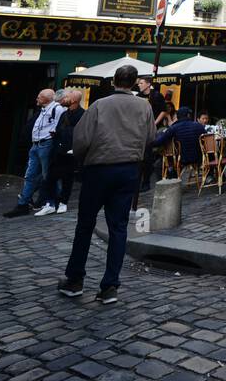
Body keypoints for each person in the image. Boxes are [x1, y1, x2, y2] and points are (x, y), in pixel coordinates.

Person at [56, 65, 153, 304]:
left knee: (85, 225)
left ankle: (75, 279)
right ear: (133, 83)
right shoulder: (144, 106)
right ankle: (110, 286)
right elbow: (151, 137)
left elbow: (81, 139)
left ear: (114, 81)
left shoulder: (100, 105)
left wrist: (82, 159)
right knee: (118, 228)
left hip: (99, 168)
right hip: (129, 169)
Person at [4, 87, 65, 218]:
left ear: (47, 98)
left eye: (39, 96)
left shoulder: (57, 109)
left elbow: (60, 126)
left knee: (47, 175)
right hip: (35, 145)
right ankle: (23, 204)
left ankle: (51, 202)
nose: (37, 98)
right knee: (30, 175)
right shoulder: (42, 110)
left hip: (46, 144)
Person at [38, 89, 85, 215]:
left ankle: (63, 202)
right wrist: (57, 133)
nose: (64, 99)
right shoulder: (65, 114)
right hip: (58, 150)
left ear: (74, 100)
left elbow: (82, 133)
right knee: (50, 177)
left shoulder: (83, 114)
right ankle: (50, 203)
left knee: (67, 178)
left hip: (71, 151)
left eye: (67, 97)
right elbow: (60, 129)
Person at [154, 107, 211, 179]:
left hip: (180, 159)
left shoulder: (173, 128)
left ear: (177, 117)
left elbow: (160, 141)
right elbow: (206, 140)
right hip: (197, 158)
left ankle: (170, 182)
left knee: (158, 164)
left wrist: (149, 143)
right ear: (188, 116)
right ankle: (211, 175)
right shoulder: (198, 126)